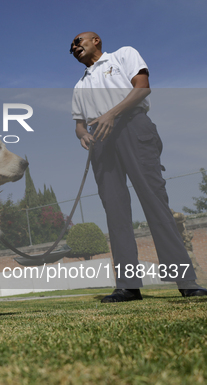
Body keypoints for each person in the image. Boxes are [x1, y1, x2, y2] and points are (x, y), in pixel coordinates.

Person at [70, 32, 207, 302]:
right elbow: (78, 124)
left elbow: (142, 87)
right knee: (115, 211)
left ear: (96, 40)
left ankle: (186, 281)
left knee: (154, 200)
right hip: (102, 141)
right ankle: (128, 286)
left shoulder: (123, 55)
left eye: (78, 41)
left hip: (133, 126)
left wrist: (112, 113)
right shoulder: (79, 86)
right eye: (71, 47)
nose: (74, 47)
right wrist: (83, 135)